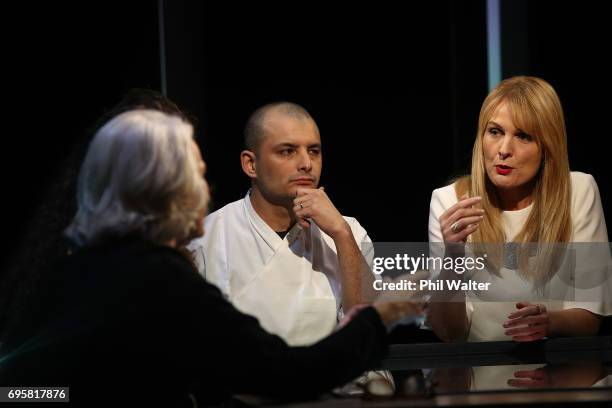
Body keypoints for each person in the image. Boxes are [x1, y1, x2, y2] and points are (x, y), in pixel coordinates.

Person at [0, 109, 424, 407]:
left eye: (314, 150)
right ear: (166, 186)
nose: (203, 189)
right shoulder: (162, 279)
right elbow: (287, 374)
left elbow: (21, 387)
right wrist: (381, 316)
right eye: (197, 174)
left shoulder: (70, 266)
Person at [426, 76, 609, 342]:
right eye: (495, 132)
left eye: (523, 136)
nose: (503, 150)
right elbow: (449, 334)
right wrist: (453, 256)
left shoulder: (579, 190)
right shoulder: (450, 202)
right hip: (479, 376)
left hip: (559, 372)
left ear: (547, 147)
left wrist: (547, 322)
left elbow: (590, 318)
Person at [188, 102, 375, 346]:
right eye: (287, 151)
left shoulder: (348, 231)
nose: (306, 164)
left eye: (314, 151)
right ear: (250, 164)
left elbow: (367, 333)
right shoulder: (208, 236)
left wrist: (341, 234)